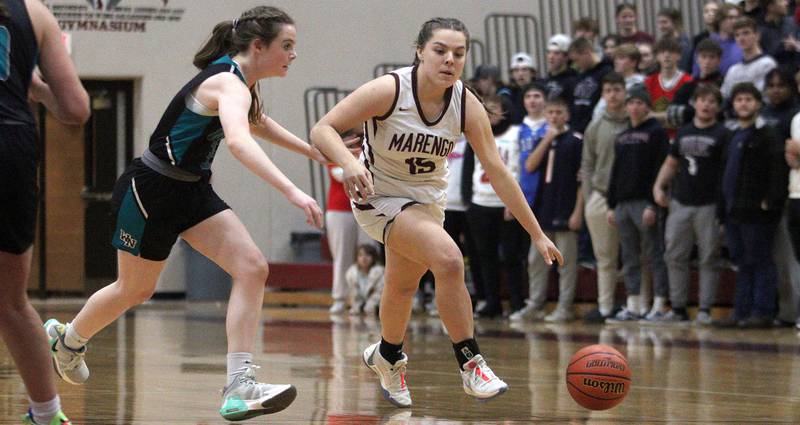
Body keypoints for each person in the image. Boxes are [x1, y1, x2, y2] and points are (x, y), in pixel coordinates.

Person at [43, 6, 329, 421]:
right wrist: (293, 190)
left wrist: (310, 151)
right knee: (134, 290)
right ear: (257, 46)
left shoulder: (237, 81)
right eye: (286, 46)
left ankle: (238, 386)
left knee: (251, 267)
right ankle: (67, 342)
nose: (293, 54)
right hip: (151, 192)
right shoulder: (226, 82)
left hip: (192, 190)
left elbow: (256, 121)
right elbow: (240, 142)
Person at [310, 17, 562, 407]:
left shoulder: (465, 103)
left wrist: (537, 232)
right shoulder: (390, 89)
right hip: (379, 197)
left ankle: (388, 356)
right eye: (440, 51)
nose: (450, 60)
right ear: (420, 51)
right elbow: (323, 129)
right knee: (448, 260)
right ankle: (471, 363)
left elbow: (496, 170)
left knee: (402, 285)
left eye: (458, 54)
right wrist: (351, 161)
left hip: (427, 203)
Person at [1, 0, 89, 423]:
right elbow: (76, 108)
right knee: (11, 302)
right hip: (13, 145)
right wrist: (32, 86)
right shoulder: (34, 12)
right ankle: (47, 414)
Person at [653, 85, 730, 325]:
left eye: (711, 101)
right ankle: (678, 308)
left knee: (708, 257)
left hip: (709, 204)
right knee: (675, 255)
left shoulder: (723, 134)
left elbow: (728, 171)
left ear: (717, 107)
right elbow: (671, 162)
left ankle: (705, 309)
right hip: (680, 202)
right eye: (702, 100)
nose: (706, 105)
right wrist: (658, 186)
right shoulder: (684, 132)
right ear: (694, 104)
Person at [715, 82, 788, 328]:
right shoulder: (733, 135)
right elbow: (725, 174)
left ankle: (762, 311)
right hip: (733, 210)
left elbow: (777, 170)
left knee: (760, 260)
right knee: (742, 262)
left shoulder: (768, 134)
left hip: (756, 211)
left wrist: (771, 201)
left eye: (748, 99)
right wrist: (721, 209)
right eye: (739, 100)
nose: (743, 104)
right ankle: (741, 312)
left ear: (758, 103)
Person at [605, 88, 670, 323]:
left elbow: (660, 168)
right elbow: (616, 171)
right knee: (629, 256)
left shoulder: (657, 132)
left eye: (639, 102)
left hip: (645, 202)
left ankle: (660, 304)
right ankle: (634, 304)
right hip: (622, 203)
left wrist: (653, 204)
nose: (634, 107)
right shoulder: (622, 135)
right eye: (631, 102)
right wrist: (611, 204)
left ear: (647, 106)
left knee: (655, 254)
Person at [523, 97, 584, 323]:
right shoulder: (542, 139)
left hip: (566, 208)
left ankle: (564, 307)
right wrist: (547, 139)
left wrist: (577, 211)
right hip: (543, 209)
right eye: (551, 113)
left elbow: (582, 179)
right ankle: (535, 304)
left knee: (565, 262)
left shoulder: (576, 141)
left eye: (559, 112)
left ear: (566, 116)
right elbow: (529, 166)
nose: (555, 117)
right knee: (535, 261)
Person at [580, 72, 629, 323]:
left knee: (636, 255)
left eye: (617, 90)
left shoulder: (637, 121)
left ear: (625, 92)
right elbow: (587, 165)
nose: (613, 95)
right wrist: (590, 198)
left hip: (632, 198)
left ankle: (638, 305)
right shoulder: (595, 126)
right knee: (605, 257)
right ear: (603, 94)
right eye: (608, 90)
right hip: (600, 196)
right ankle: (606, 306)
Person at [326, 130, 375, 314]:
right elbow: (342, 174)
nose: (353, 144)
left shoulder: (370, 151)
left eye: (357, 139)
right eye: (348, 140)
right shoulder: (334, 153)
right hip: (340, 210)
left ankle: (370, 298)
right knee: (342, 255)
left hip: (368, 208)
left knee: (370, 253)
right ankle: (340, 298)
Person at [721, 16, 777, 98]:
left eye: (746, 33)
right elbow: (724, 95)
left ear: (757, 36)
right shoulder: (733, 70)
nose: (741, 38)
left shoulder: (767, 64)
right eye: (737, 35)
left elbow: (765, 96)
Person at [346, 244, 385, 315]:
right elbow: (353, 294)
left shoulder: (380, 272)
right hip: (362, 305)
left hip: (379, 305)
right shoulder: (351, 273)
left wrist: (370, 306)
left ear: (374, 257)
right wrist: (356, 307)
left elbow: (380, 293)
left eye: (368, 255)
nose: (364, 258)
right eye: (360, 255)